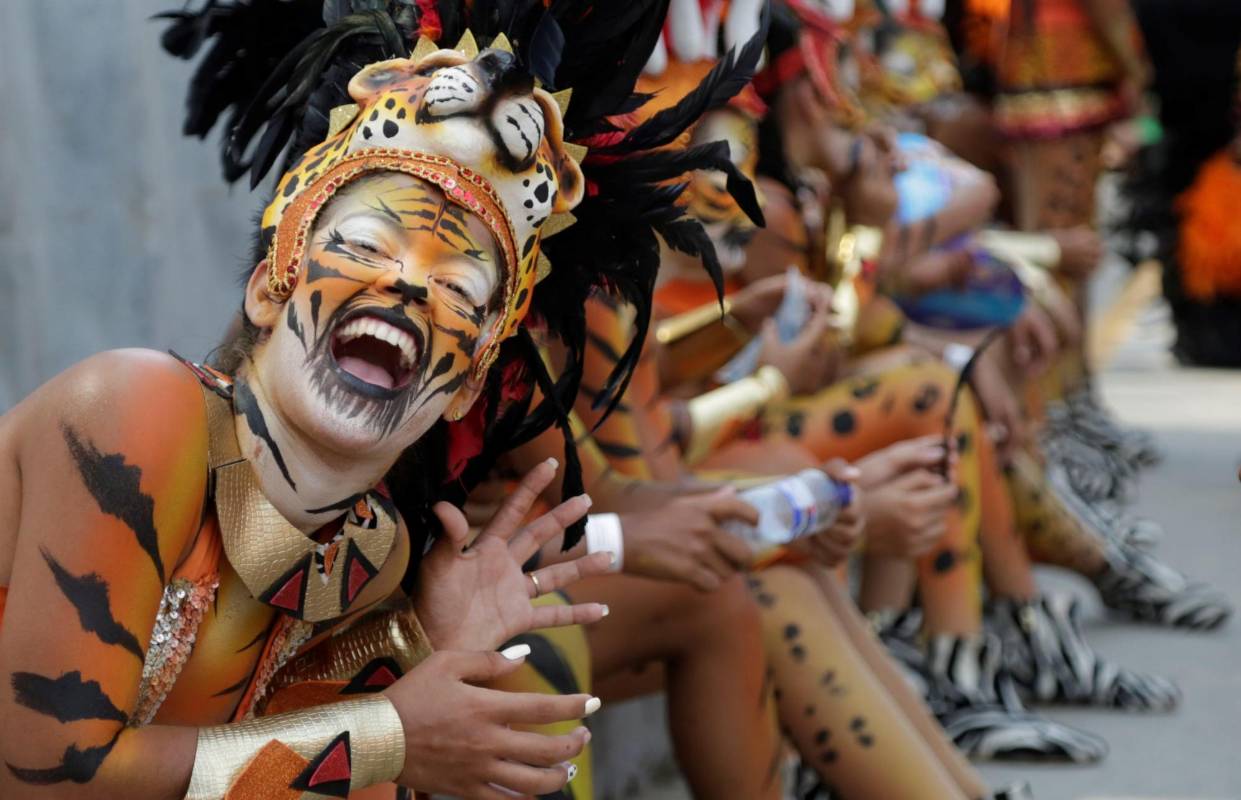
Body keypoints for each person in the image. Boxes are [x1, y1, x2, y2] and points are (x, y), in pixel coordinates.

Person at [0, 1, 752, 797]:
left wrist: (428, 643)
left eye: (460, 287)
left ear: (465, 386)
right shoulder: (135, 411)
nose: (407, 282)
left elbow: (275, 765)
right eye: (363, 245)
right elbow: (43, 778)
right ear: (269, 286)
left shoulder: (371, 548)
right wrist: (387, 735)